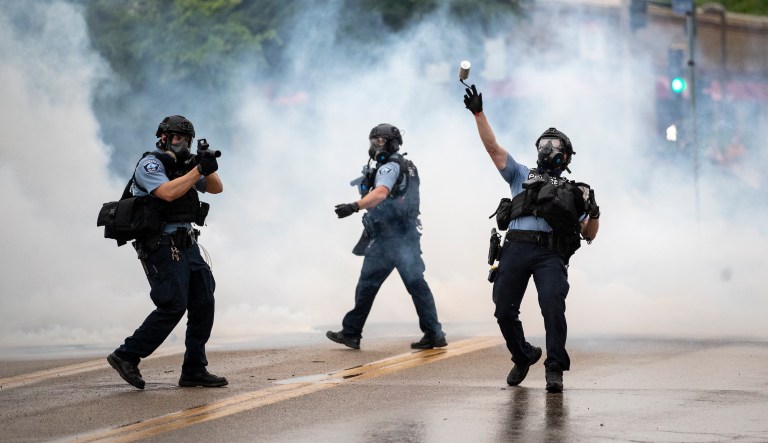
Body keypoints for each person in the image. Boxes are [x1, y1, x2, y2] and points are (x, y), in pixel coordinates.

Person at [463, 85, 600, 393]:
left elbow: (588, 233)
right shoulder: (520, 174)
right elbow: (494, 149)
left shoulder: (573, 191)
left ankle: (554, 369)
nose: (546, 148)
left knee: (552, 307)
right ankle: (523, 354)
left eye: (554, 145)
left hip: (549, 255)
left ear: (565, 155)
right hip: (515, 247)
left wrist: (595, 211)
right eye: (543, 143)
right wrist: (478, 113)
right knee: (503, 310)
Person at [107, 115, 228, 389]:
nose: (182, 143)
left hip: (187, 242)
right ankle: (127, 355)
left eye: (186, 139)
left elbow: (217, 188)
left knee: (204, 300)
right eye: (177, 138)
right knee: (173, 303)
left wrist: (205, 164)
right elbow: (167, 193)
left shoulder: (186, 166)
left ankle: (194, 369)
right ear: (163, 137)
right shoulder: (151, 164)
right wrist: (196, 171)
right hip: (160, 244)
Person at [326, 123, 447, 350]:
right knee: (415, 284)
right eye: (374, 140)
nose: (375, 145)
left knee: (368, 285)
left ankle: (352, 333)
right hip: (406, 236)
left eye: (380, 140)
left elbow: (380, 193)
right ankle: (433, 333)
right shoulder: (407, 165)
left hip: (388, 239)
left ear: (391, 143)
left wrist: (354, 206)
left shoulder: (388, 167)